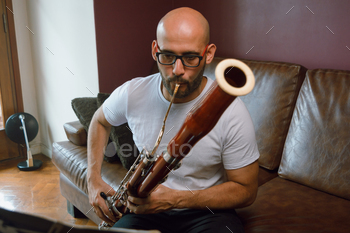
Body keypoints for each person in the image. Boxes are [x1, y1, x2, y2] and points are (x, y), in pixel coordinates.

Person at [87, 7, 259, 233]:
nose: (177, 71)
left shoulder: (232, 111)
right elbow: (99, 121)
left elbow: (246, 190)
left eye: (190, 58)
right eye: (167, 56)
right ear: (155, 49)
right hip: (144, 210)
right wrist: (92, 179)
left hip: (207, 212)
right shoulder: (132, 93)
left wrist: (176, 199)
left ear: (208, 54)